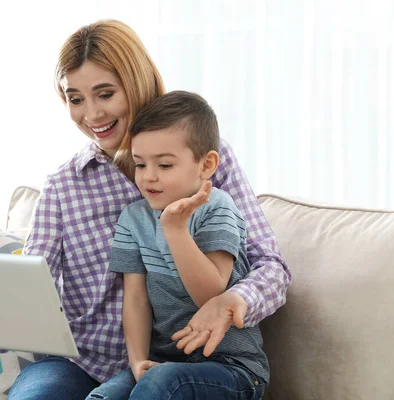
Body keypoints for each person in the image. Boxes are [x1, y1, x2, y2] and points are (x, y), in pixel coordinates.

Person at [0, 20, 290, 400]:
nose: (92, 115)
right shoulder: (63, 188)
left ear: (137, 83)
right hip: (81, 364)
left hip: (178, 364)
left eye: (105, 94)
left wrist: (231, 302)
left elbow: (271, 267)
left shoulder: (204, 158)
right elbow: (32, 299)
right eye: (75, 99)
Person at [87, 90, 267, 400]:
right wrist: (137, 361)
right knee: (104, 396)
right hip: (165, 364)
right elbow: (136, 299)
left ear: (206, 165)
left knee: (163, 383)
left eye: (165, 166)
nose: (149, 178)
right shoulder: (133, 218)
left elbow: (210, 293)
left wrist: (175, 229)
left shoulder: (218, 207)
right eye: (140, 165)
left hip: (232, 369)